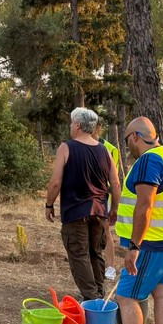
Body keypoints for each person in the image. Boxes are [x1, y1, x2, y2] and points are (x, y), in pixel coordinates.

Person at [99, 117, 163, 324]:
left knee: (126, 297)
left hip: (149, 243)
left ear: (135, 136)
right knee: (162, 293)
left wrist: (134, 246)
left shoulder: (149, 161)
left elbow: (145, 206)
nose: (127, 146)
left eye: (127, 140)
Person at [45, 107, 120, 301]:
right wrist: (114, 209)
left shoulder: (66, 147)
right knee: (95, 252)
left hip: (75, 211)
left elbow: (55, 182)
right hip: (100, 210)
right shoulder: (104, 150)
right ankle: (99, 293)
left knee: (79, 254)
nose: (70, 126)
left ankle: (92, 299)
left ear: (77, 125)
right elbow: (116, 183)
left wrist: (49, 204)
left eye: (71, 123)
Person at [94, 117, 122, 279]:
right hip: (85, 197)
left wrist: (114, 205)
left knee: (105, 229)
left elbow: (114, 179)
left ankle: (110, 266)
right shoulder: (77, 144)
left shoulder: (110, 149)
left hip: (104, 195)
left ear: (98, 127)